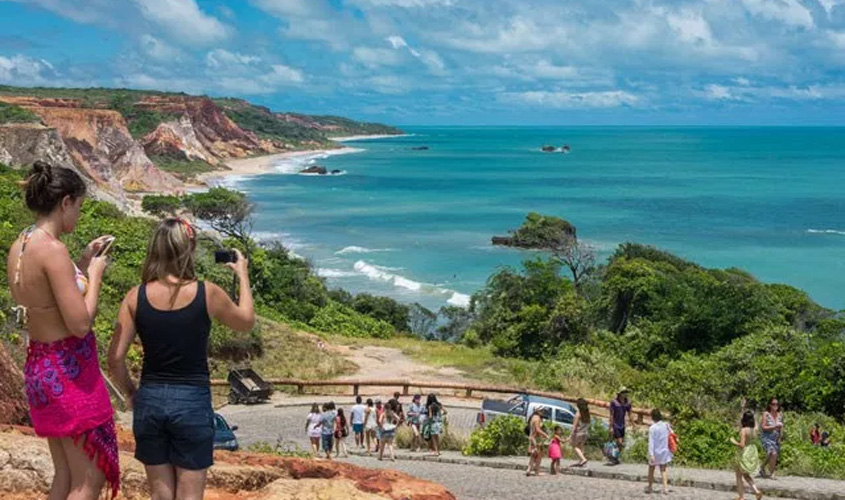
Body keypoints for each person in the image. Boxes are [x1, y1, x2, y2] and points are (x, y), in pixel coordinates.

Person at [108, 218, 255, 500]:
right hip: (192, 402)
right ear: (190, 249)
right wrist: (243, 275)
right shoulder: (207, 292)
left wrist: (131, 393)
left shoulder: (134, 297)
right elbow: (245, 321)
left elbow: (115, 358)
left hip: (150, 400)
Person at [8, 162, 119, 500]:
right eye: (79, 207)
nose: (79, 216)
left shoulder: (22, 243)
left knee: (65, 475)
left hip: (41, 367)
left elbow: (52, 300)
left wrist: (83, 264)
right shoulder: (53, 251)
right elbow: (80, 322)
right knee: (88, 481)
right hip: (67, 372)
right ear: (66, 202)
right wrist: (97, 274)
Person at [732, 410, 763, 500]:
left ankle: (741, 497)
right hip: (752, 452)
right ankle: (756, 491)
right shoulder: (755, 429)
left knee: (738, 475)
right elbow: (757, 423)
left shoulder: (744, 430)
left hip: (744, 453)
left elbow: (742, 445)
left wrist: (734, 442)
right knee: (746, 475)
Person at [645, 409, 673, 495]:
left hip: (655, 452)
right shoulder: (666, 425)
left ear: (652, 417)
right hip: (664, 451)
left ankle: (650, 487)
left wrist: (651, 454)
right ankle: (665, 488)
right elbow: (672, 433)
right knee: (663, 470)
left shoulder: (652, 428)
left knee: (651, 469)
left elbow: (651, 442)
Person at [760, 397, 784, 479]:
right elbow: (763, 427)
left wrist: (780, 437)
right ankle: (772, 473)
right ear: (770, 405)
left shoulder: (780, 414)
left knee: (771, 455)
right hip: (767, 437)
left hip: (775, 437)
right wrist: (773, 427)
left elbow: (781, 427)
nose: (775, 406)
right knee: (772, 453)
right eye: (773, 404)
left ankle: (762, 467)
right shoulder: (766, 414)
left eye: (777, 404)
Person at [609, 387, 633, 465]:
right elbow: (611, 415)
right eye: (624, 392)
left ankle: (615, 457)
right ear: (620, 394)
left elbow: (630, 414)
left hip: (622, 425)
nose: (625, 394)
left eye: (626, 392)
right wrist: (611, 427)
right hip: (616, 424)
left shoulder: (627, 403)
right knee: (619, 441)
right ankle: (613, 456)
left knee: (620, 443)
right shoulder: (614, 402)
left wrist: (633, 424)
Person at [525, 406, 548, 476]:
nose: (543, 412)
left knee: (533, 455)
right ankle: (537, 471)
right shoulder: (537, 418)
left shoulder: (533, 417)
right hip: (537, 439)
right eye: (542, 411)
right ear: (538, 411)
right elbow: (538, 429)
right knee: (539, 456)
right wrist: (546, 435)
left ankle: (529, 469)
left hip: (532, 438)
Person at [569, 398, 591, 467]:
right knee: (580, 447)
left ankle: (583, 459)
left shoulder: (578, 414)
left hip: (578, 432)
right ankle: (581, 461)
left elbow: (574, 426)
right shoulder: (587, 413)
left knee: (575, 446)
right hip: (585, 432)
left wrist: (571, 435)